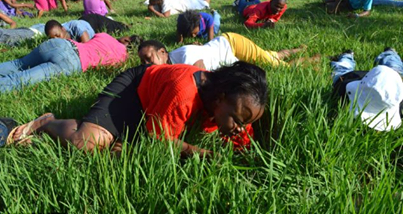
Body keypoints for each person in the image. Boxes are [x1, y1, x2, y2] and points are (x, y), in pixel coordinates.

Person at [6, 62, 268, 156]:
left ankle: (120, 140)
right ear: (220, 98)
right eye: (238, 119)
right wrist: (201, 152)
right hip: (134, 91)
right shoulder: (184, 94)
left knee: (120, 154)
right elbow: (159, 140)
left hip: (155, 109)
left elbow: (243, 142)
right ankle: (46, 123)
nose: (242, 126)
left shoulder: (231, 105)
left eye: (248, 121)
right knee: (84, 144)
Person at [0, 33, 137, 93]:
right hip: (71, 63)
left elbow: (89, 42)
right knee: (18, 81)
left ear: (127, 40)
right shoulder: (122, 60)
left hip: (61, 44)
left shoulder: (106, 36)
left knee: (18, 64)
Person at [138, 34, 310, 71]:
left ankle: (317, 59)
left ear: (162, 52)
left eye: (148, 58)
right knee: (267, 56)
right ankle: (295, 49)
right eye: (142, 61)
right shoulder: (170, 64)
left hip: (232, 44)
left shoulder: (184, 56)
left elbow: (202, 76)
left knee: (277, 66)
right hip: (228, 49)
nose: (146, 64)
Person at [330, 48, 403, 131]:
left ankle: (390, 53)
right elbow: (336, 96)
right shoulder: (344, 86)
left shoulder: (397, 95)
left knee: (394, 70)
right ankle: (347, 55)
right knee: (342, 70)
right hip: (352, 77)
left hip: (385, 83)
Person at [0, 15, 129, 47]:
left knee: (117, 27)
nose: (56, 40)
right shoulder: (60, 33)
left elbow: (87, 46)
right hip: (39, 29)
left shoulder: (77, 26)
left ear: (63, 29)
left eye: (57, 36)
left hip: (91, 21)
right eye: (52, 38)